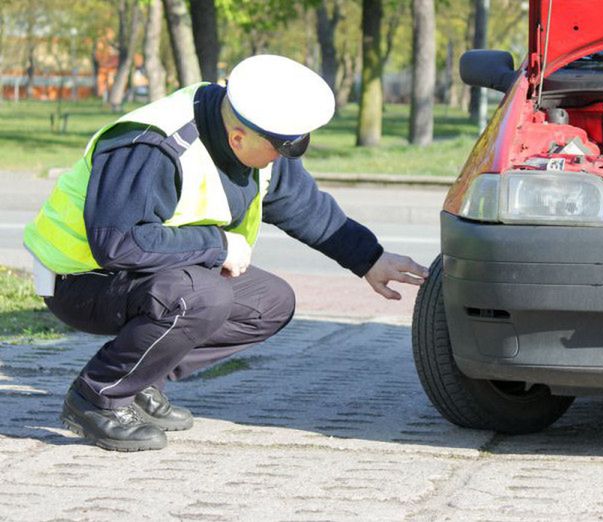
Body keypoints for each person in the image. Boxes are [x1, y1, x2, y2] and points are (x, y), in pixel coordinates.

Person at [23, 54, 428, 452]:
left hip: (148, 274)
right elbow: (118, 242)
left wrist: (370, 259)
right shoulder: (152, 145)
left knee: (269, 302)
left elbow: (302, 204)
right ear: (238, 138)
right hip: (79, 278)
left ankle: (141, 379)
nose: (292, 152)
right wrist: (218, 247)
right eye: (288, 146)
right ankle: (97, 397)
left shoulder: (256, 134)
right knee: (203, 297)